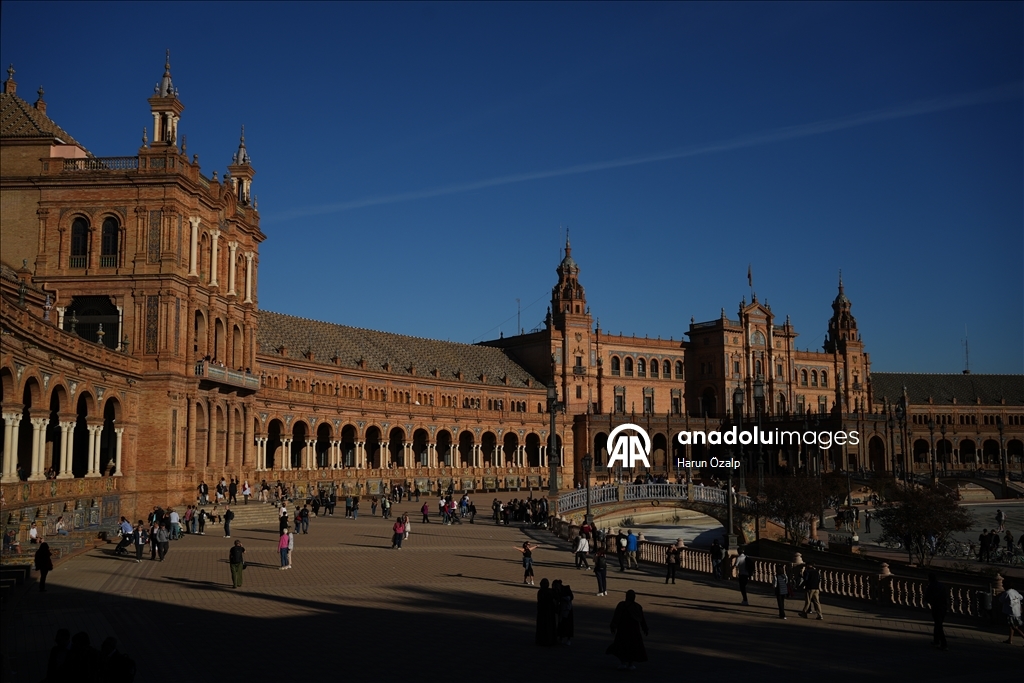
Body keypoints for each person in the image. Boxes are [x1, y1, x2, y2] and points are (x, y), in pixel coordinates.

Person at [607, 589, 649, 670]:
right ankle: (630, 663)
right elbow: (642, 619)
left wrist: (613, 626)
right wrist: (645, 629)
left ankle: (623, 662)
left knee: (622, 646)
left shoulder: (621, 605)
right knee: (633, 647)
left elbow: (616, 617)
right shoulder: (637, 607)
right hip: (634, 631)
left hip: (623, 629)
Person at [924, 572, 948, 650]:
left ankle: (943, 643)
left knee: (938, 625)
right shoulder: (941, 586)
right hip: (943, 607)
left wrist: (930, 602)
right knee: (938, 624)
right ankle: (936, 641)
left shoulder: (931, 586)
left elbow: (926, 597)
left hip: (936, 607)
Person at [999, 578, 1023, 646]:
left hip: (1011, 612)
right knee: (1011, 626)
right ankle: (1010, 639)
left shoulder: (1007, 593)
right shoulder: (1015, 591)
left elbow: (1001, 600)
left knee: (1014, 627)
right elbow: (1021, 597)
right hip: (1017, 611)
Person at [535, 578, 558, 646]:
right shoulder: (546, 591)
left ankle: (544, 640)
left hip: (545, 612)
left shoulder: (542, 591)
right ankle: (548, 640)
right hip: (547, 612)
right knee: (548, 626)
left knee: (544, 626)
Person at [553, 579, 575, 645]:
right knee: (561, 624)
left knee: (568, 624)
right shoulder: (555, 591)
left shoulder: (566, 588)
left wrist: (564, 598)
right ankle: (561, 637)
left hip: (567, 609)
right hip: (561, 609)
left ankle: (568, 638)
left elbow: (571, 597)